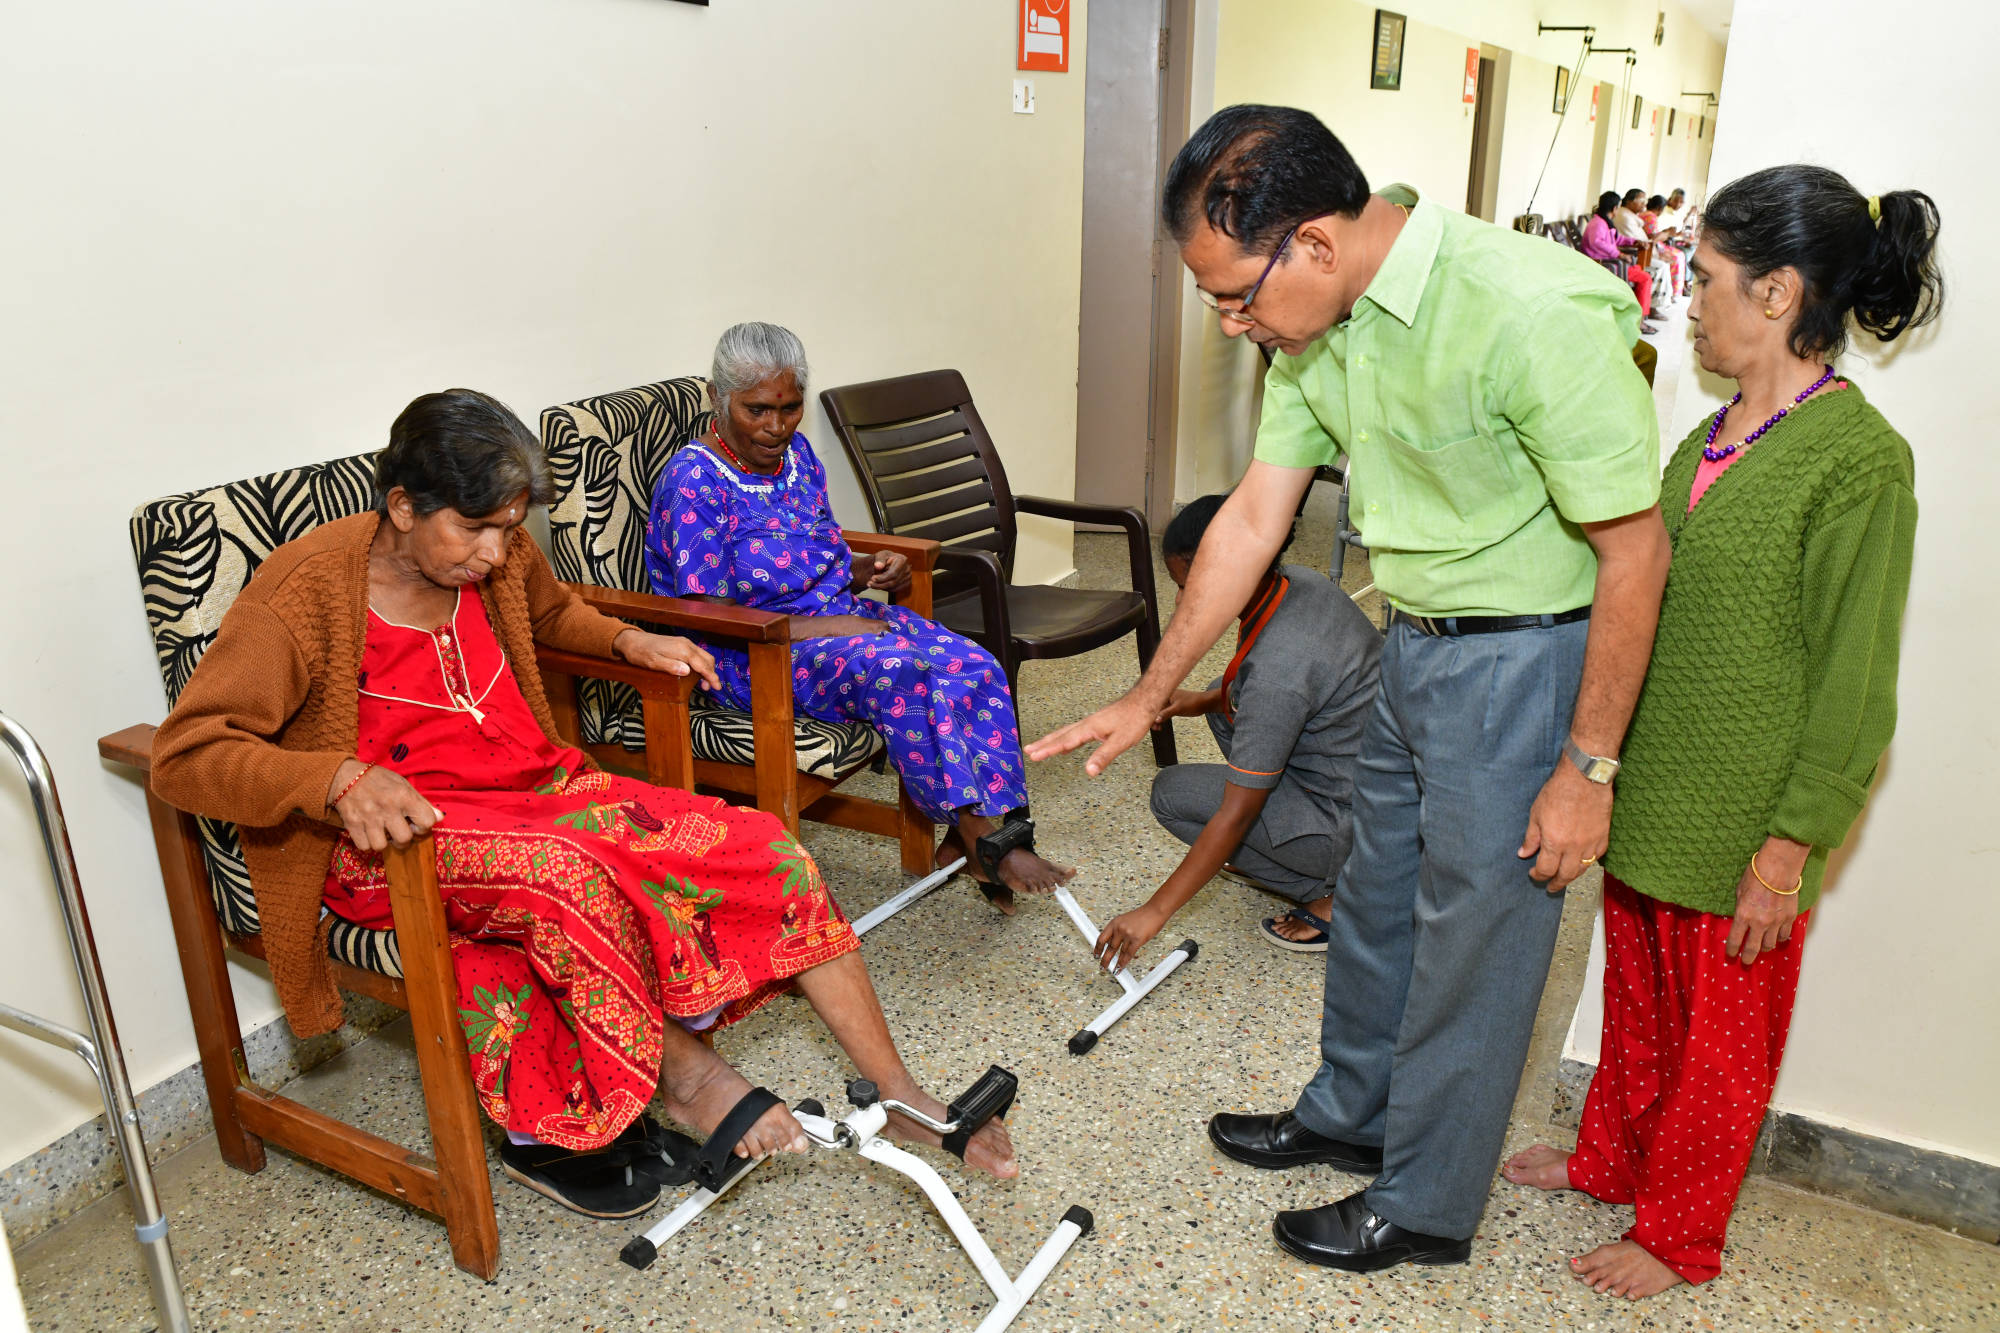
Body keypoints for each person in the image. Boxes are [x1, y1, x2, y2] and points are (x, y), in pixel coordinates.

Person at [1030, 104, 1670, 1274]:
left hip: (1524, 655)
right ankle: (1350, 1111)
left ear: (1314, 245)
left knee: (1473, 938)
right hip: (1411, 640)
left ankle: (1423, 1201)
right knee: (1374, 905)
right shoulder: (1315, 335)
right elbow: (1250, 519)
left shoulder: (1527, 309)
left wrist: (1585, 768)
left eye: (1236, 295)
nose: (1231, 324)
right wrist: (1149, 691)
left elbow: (1635, 552)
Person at [152, 388, 1016, 1221]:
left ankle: (903, 1095)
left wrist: (633, 637)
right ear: (404, 505)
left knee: (760, 842)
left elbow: (555, 612)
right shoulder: (304, 592)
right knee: (567, 880)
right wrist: (333, 779)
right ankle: (691, 1078)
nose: (495, 554)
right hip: (398, 837)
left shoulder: (496, 554)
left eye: (507, 529)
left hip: (537, 789)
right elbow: (187, 753)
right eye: (476, 529)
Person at [1504, 164, 1939, 1299]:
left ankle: (1678, 1234)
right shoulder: (1707, 434)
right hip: (1653, 793)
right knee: (1636, 1005)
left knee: (1720, 1047)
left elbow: (1854, 680)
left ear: (1778, 292)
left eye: (1704, 280)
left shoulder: (1856, 461)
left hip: (1747, 821)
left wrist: (1789, 845)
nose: (1687, 299)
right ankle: (1610, 1163)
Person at [647, 322, 1073, 913]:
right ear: (721, 401)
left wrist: (868, 566)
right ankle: (987, 844)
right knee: (900, 669)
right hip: (747, 655)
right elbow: (706, 614)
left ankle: (976, 832)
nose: (777, 426)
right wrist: (830, 626)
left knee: (972, 661)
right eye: (757, 410)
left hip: (839, 623)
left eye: (790, 407)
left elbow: (813, 548)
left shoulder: (794, 455)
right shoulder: (694, 482)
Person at [1091, 494, 1380, 966]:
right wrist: (1199, 701)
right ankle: (1319, 850)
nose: (1184, 602)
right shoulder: (1299, 582)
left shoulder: (1278, 674)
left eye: (1194, 586)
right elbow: (1287, 690)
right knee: (1222, 695)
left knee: (1172, 793)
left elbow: (1235, 814)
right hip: (1378, 792)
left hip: (1346, 826)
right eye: (1180, 587)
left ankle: (1346, 893)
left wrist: (1154, 911)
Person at [1583, 192, 1661, 335]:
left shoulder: (1604, 221)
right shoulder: (1598, 224)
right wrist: (1619, 254)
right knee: (1645, 278)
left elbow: (1617, 240)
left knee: (1640, 271)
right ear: (1614, 208)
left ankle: (1635, 316)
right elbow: (1596, 242)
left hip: (1611, 264)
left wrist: (1634, 241)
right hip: (1604, 265)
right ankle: (1640, 321)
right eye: (1618, 207)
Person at [1613, 188, 1674, 314]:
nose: (1644, 205)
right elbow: (1637, 241)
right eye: (1641, 202)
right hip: (1635, 256)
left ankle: (1653, 306)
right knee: (1660, 267)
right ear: (1629, 202)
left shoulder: (1630, 215)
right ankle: (1651, 306)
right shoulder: (1625, 216)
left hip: (1639, 254)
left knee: (1665, 264)